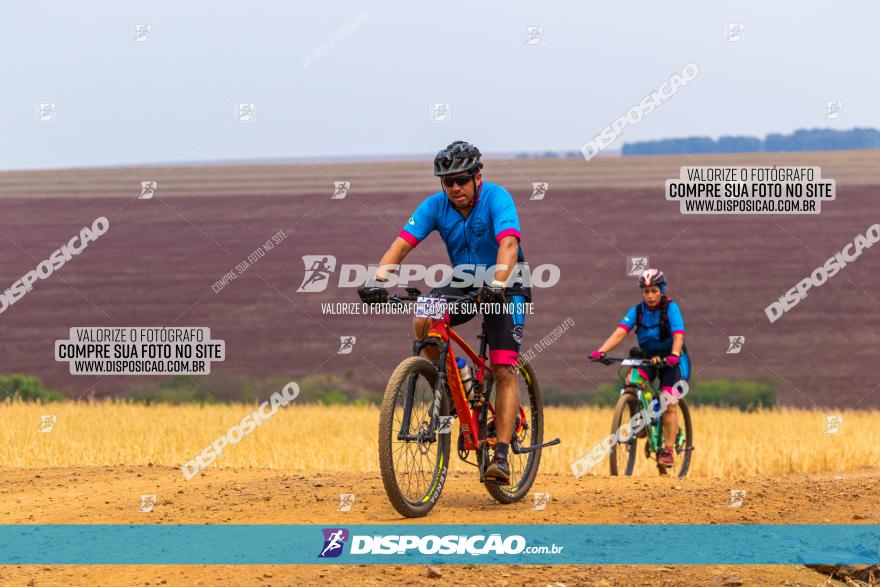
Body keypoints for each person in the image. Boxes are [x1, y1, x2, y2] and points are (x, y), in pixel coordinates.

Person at [358, 140, 530, 485]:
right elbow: (402, 244)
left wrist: (497, 284)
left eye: (461, 180)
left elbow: (508, 244)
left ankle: (500, 455)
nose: (454, 188)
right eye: (447, 182)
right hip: (464, 280)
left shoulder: (498, 198)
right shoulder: (435, 205)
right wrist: (378, 279)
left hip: (506, 282)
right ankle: (458, 381)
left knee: (503, 368)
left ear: (477, 177)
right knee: (423, 316)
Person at [589, 269, 690, 467]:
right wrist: (601, 351)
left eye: (654, 290)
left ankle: (668, 450)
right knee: (631, 384)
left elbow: (678, 334)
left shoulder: (671, 308)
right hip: (648, 358)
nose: (650, 296)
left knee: (669, 403)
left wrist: (674, 355)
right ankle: (641, 423)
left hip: (672, 360)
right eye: (646, 291)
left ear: (661, 290)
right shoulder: (638, 310)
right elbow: (620, 332)